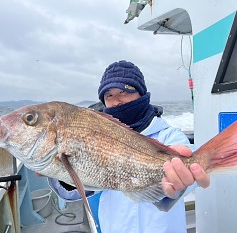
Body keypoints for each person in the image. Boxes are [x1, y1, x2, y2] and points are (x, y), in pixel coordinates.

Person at [49, 60, 210, 233]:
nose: (116, 101)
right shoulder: (95, 138)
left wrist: (183, 179)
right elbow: (73, 193)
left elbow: (185, 180)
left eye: (124, 92)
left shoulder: (168, 136)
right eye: (109, 95)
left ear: (141, 95)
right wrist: (61, 169)